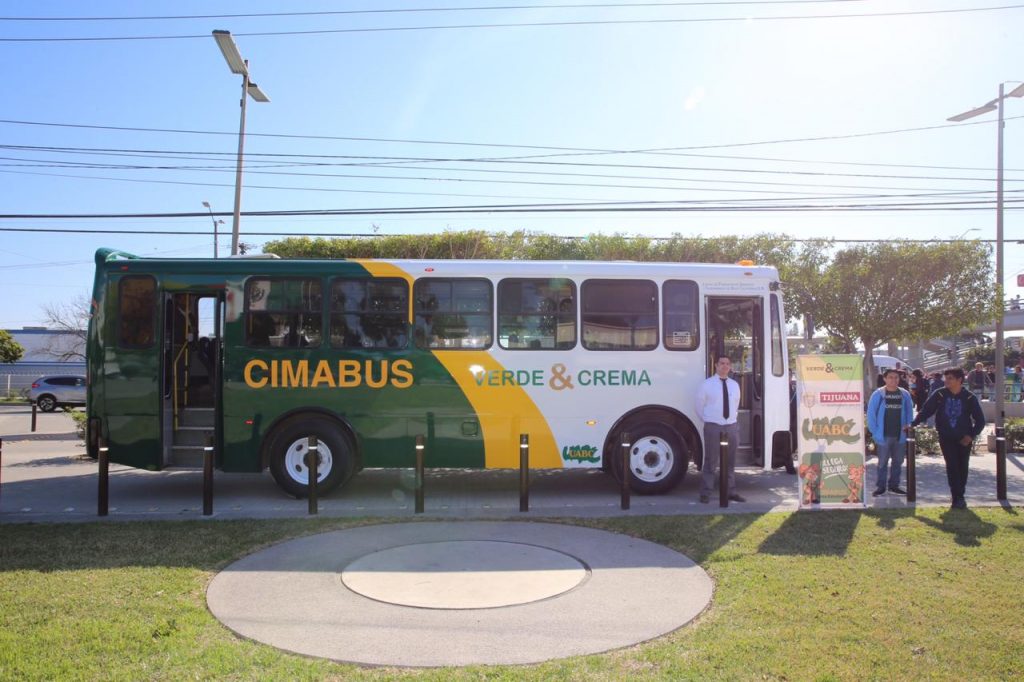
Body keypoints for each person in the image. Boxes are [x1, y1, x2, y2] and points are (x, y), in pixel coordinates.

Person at [909, 367, 986, 510]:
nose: (946, 381)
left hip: (964, 438)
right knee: (952, 466)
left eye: (950, 378)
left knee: (962, 467)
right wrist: (913, 424)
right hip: (946, 437)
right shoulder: (939, 394)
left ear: (959, 380)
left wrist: (971, 436)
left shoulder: (969, 397)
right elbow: (926, 410)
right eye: (946, 378)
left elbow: (980, 420)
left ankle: (959, 495)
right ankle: (957, 498)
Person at [696, 355, 744, 503]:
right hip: (713, 427)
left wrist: (730, 421)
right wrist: (709, 420)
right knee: (711, 461)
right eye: (722, 363)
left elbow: (736, 404)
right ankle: (705, 493)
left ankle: (730, 491)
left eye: (727, 364)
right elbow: (699, 406)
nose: (724, 366)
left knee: (730, 462)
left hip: (731, 427)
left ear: (730, 367)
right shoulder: (707, 384)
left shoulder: (734, 385)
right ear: (716, 365)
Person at [867, 369, 914, 496]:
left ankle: (894, 486)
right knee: (882, 462)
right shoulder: (878, 394)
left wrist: (909, 426)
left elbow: (910, 412)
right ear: (885, 379)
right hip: (883, 435)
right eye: (891, 377)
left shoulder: (904, 394)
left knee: (898, 462)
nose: (894, 380)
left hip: (900, 435)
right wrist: (875, 432)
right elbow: (871, 414)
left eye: (896, 377)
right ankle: (880, 487)